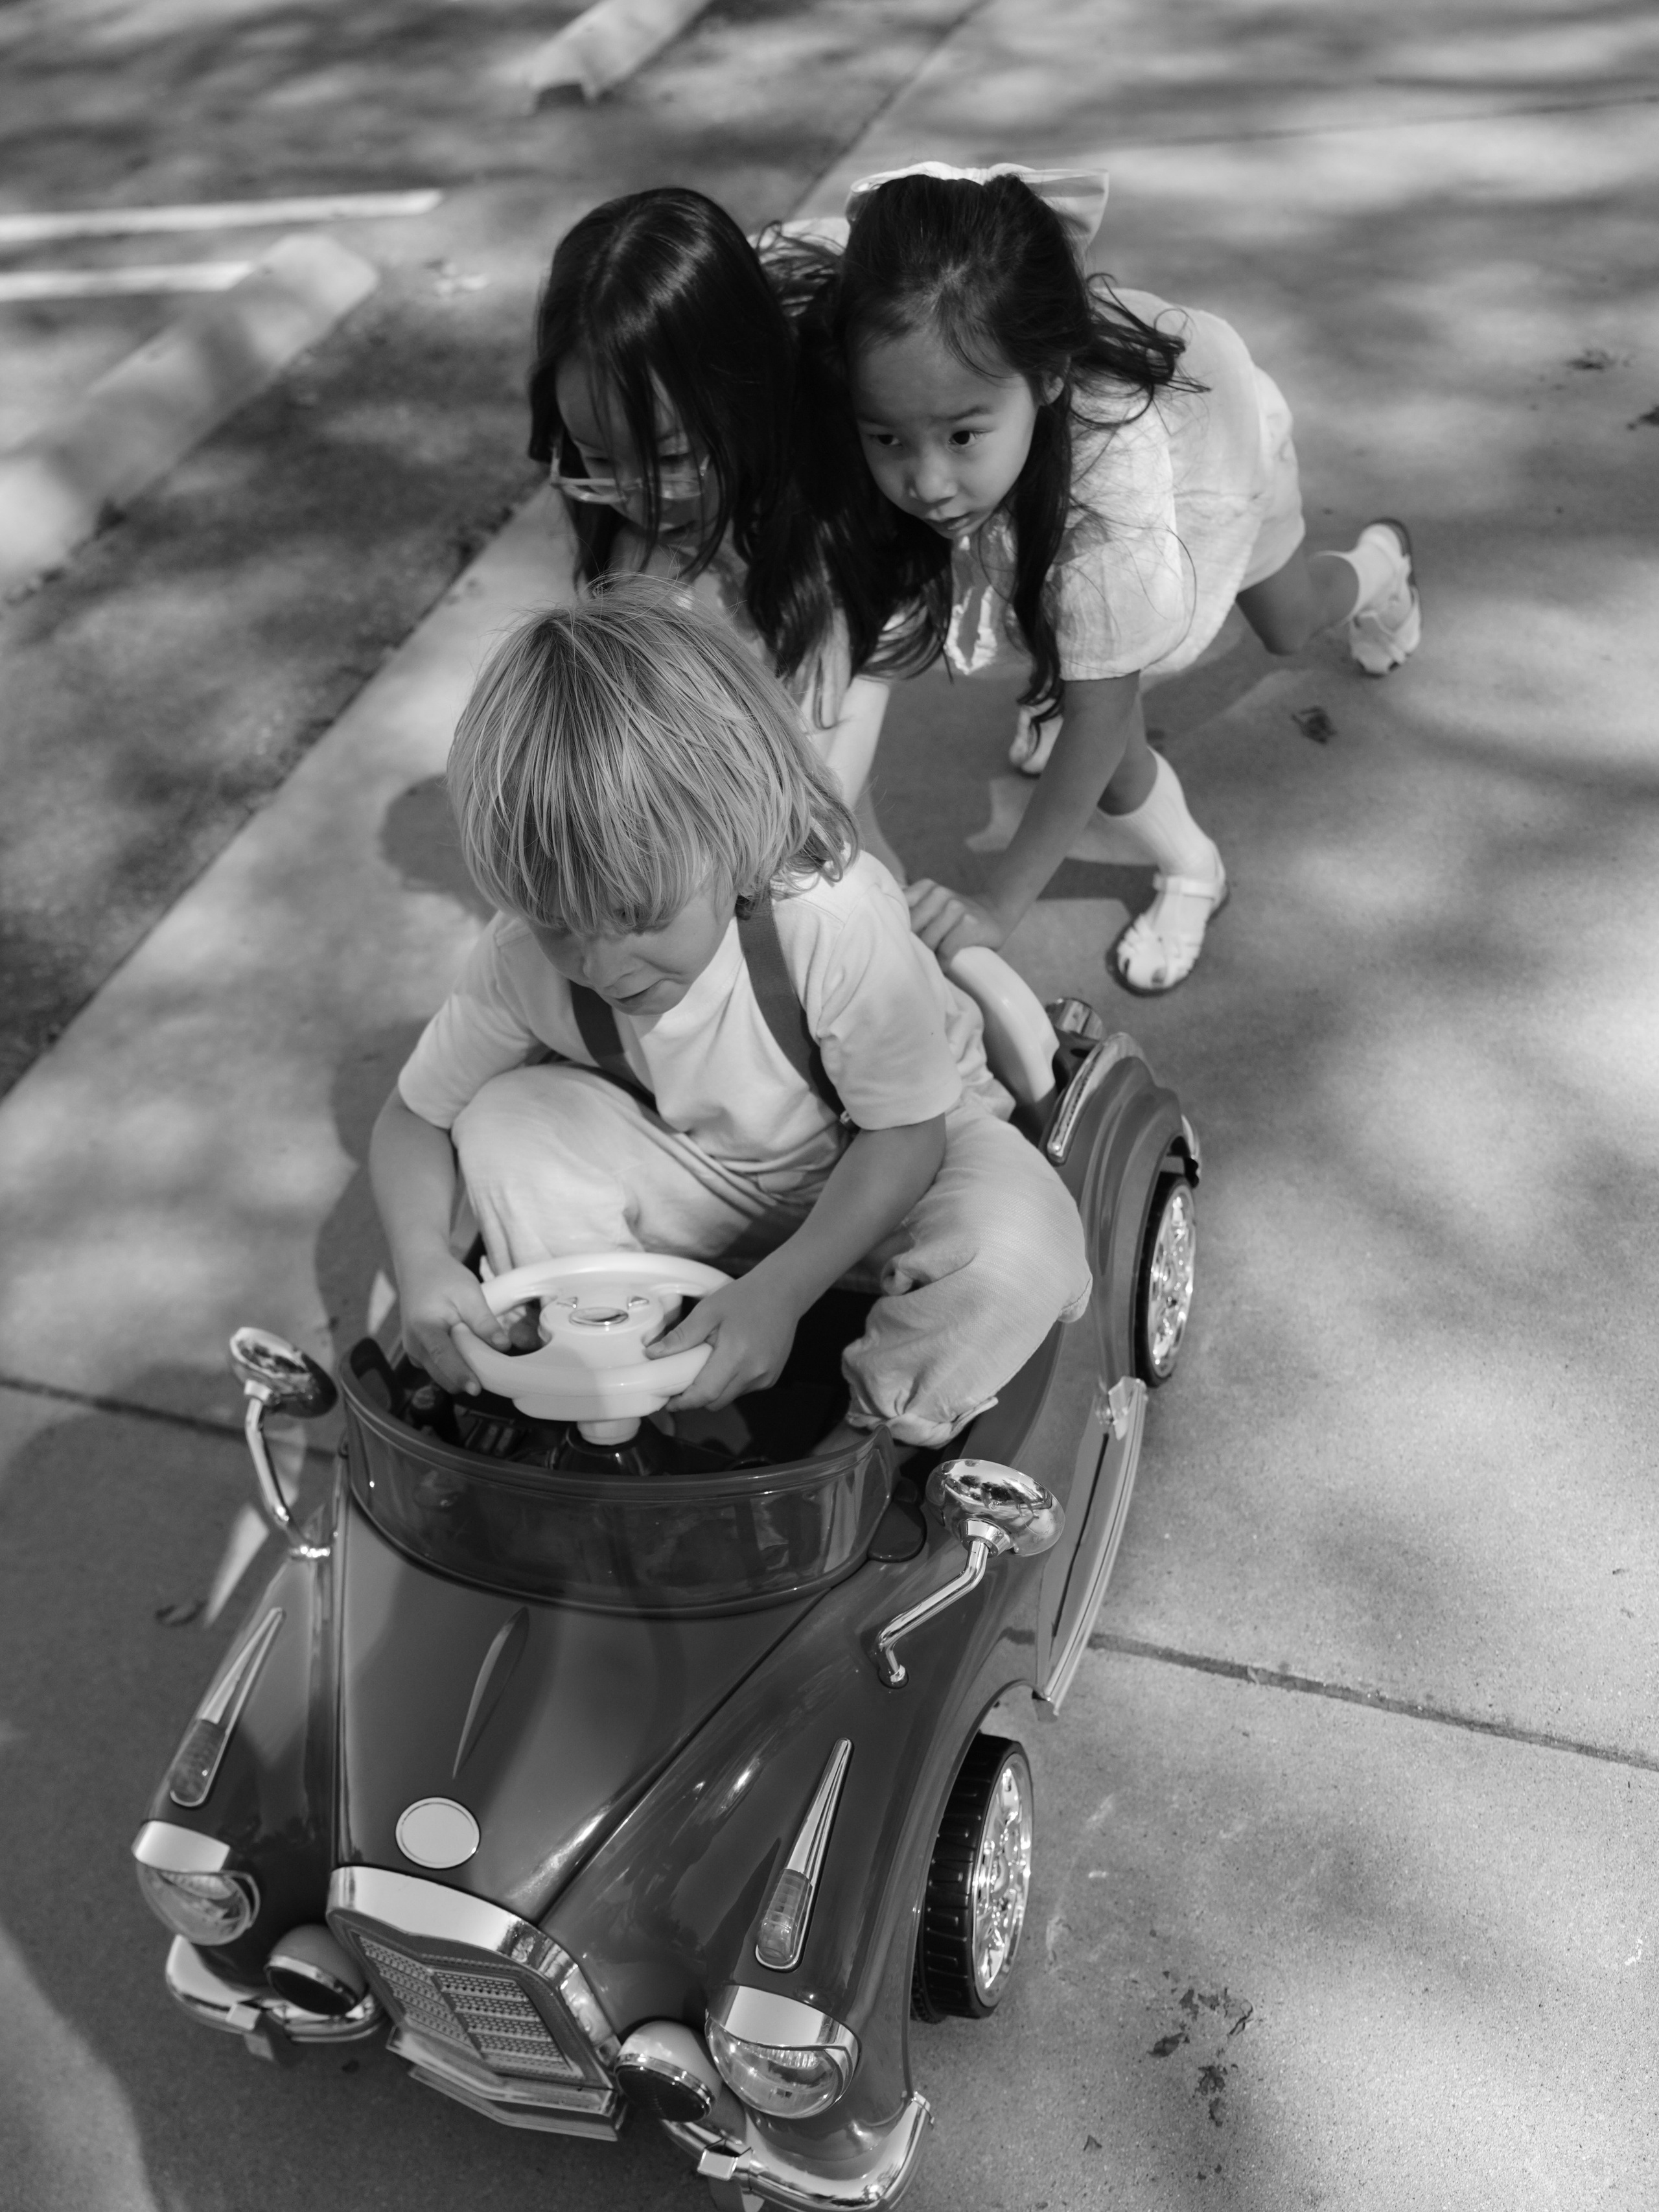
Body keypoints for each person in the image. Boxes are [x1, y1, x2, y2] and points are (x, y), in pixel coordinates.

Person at [367, 583, 1089, 1451]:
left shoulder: (828, 916)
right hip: (709, 1172)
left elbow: (908, 1136)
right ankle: (619, 1382)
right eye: (560, 925)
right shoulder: (521, 954)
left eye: (638, 917)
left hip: (900, 1160)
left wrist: (782, 1291)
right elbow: (414, 1118)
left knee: (1021, 1252)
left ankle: (870, 1438)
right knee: (504, 1123)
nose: (601, 967)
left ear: (736, 836)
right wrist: (423, 1262)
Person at [812, 161, 1421, 992]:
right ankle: (1170, 835)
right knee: (1068, 665)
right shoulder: (894, 319)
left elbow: (1099, 726)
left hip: (1218, 450)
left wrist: (997, 903)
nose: (924, 483)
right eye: (884, 437)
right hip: (1066, 493)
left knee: (1276, 626)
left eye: (959, 436)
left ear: (1050, 376)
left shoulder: (1108, 496)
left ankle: (1382, 568)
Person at [526, 186, 896, 854]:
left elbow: (867, 678)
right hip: (754, 823)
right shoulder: (639, 554)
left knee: (857, 872)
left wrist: (817, 810)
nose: (641, 503)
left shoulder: (836, 479)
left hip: (818, 796)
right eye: (598, 458)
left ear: (747, 395)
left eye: (670, 456)